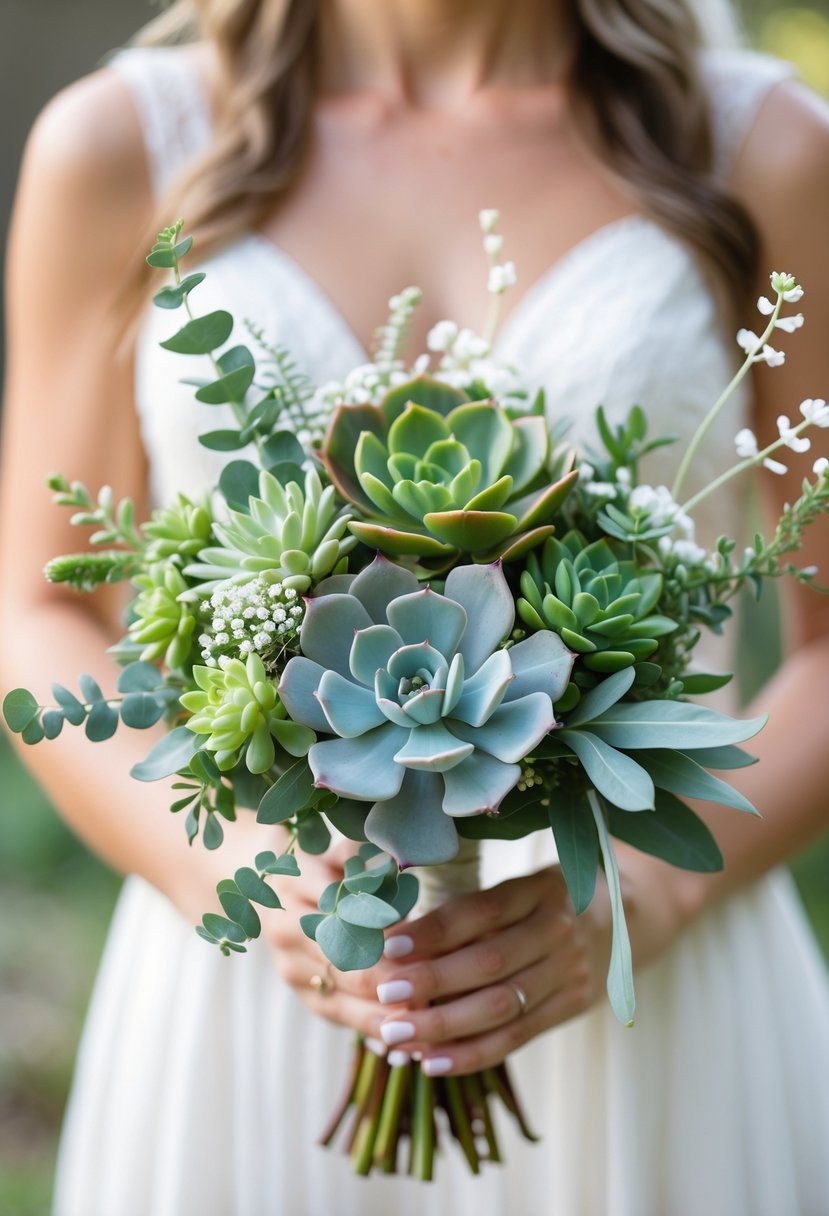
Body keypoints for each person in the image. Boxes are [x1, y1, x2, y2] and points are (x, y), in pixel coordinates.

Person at [2, 0, 828, 1212]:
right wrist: (230, 868)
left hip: (641, 971)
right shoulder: (120, 147)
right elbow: (36, 608)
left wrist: (646, 899)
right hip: (260, 980)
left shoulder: (764, 150)